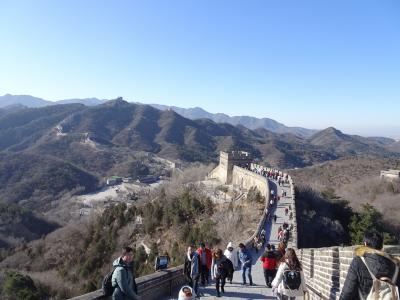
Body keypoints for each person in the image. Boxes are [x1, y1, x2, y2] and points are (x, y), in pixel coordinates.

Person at [339, 230, 400, 300]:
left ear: (365, 244)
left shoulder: (358, 261)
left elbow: (348, 292)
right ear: (382, 246)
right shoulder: (395, 265)